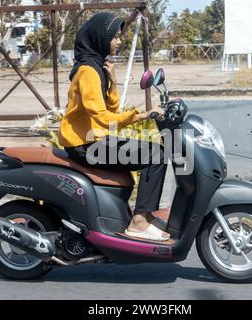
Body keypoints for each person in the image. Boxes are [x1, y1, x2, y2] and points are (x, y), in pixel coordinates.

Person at [58, 12, 170, 241]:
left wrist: (113, 81)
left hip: (93, 140)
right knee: (156, 155)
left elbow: (111, 107)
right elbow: (101, 117)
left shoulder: (96, 67)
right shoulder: (88, 71)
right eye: (115, 37)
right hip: (85, 144)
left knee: (152, 152)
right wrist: (143, 115)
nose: (119, 42)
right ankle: (139, 222)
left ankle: (141, 216)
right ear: (100, 38)